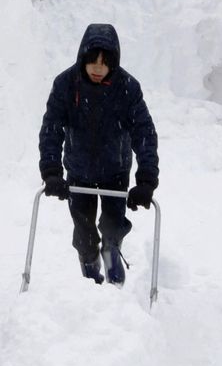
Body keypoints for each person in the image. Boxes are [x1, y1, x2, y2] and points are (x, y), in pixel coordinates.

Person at [38, 23, 159, 286]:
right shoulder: (66, 85)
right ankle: (90, 271)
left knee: (113, 225)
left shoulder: (127, 88)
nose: (97, 68)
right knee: (84, 234)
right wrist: (51, 173)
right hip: (78, 172)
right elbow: (51, 129)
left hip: (115, 171)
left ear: (112, 63)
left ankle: (111, 251)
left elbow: (144, 133)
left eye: (104, 63)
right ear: (83, 57)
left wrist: (147, 180)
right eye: (92, 61)